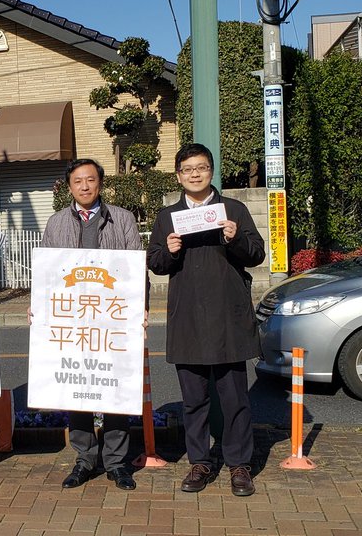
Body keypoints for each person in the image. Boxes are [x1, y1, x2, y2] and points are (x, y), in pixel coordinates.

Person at [148, 144, 265, 496]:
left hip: (228, 318)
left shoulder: (233, 209)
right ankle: (199, 462)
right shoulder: (168, 216)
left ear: (211, 171)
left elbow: (256, 253)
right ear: (178, 176)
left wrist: (235, 238)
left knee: (235, 399)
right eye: (187, 169)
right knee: (194, 400)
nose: (194, 174)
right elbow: (155, 262)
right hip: (188, 319)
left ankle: (239, 465)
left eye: (201, 167)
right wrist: (168, 251)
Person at [39, 159, 142, 491]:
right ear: (69, 186)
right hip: (72, 320)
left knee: (115, 388)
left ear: (100, 183)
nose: (84, 186)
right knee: (76, 388)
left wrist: (138, 310)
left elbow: (137, 269)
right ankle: (84, 459)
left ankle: (116, 462)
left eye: (90, 179)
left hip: (113, 317)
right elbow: (47, 274)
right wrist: (39, 308)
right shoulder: (56, 223)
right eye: (77, 181)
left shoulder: (122, 219)